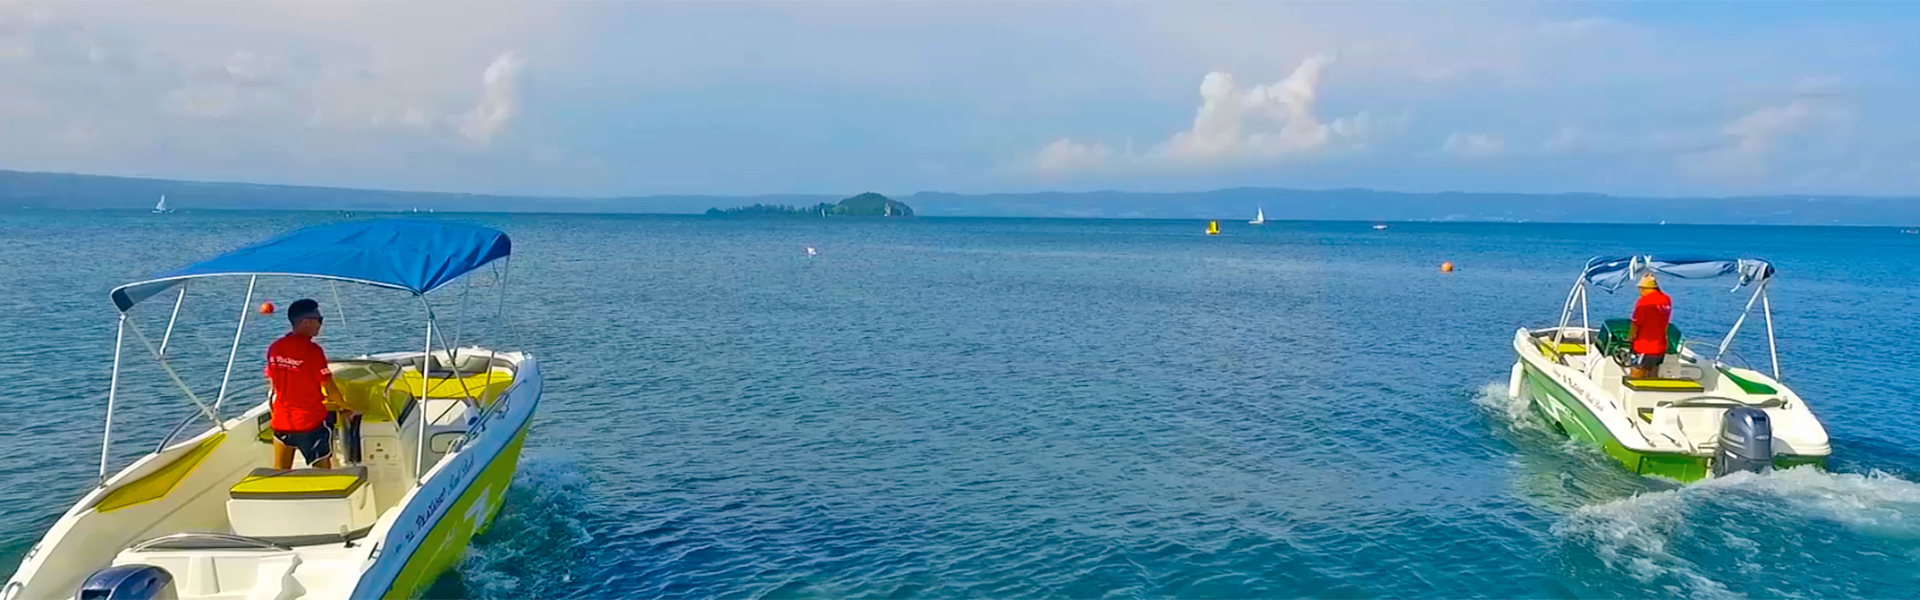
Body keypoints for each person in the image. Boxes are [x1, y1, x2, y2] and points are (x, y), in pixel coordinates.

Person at [266, 299, 351, 470]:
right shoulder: (312, 351)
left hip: (281, 422)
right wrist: (345, 406)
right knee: (323, 473)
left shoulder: (275, 347)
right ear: (305, 322)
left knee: (280, 473)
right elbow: (328, 385)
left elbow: (273, 382)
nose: (321, 324)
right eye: (319, 320)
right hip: (309, 423)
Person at [1626, 274, 1673, 378]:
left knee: (1637, 373)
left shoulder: (1644, 302)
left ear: (1644, 288)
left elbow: (1636, 323)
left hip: (1644, 346)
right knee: (1653, 373)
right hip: (1660, 346)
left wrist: (1629, 339)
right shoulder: (1666, 299)